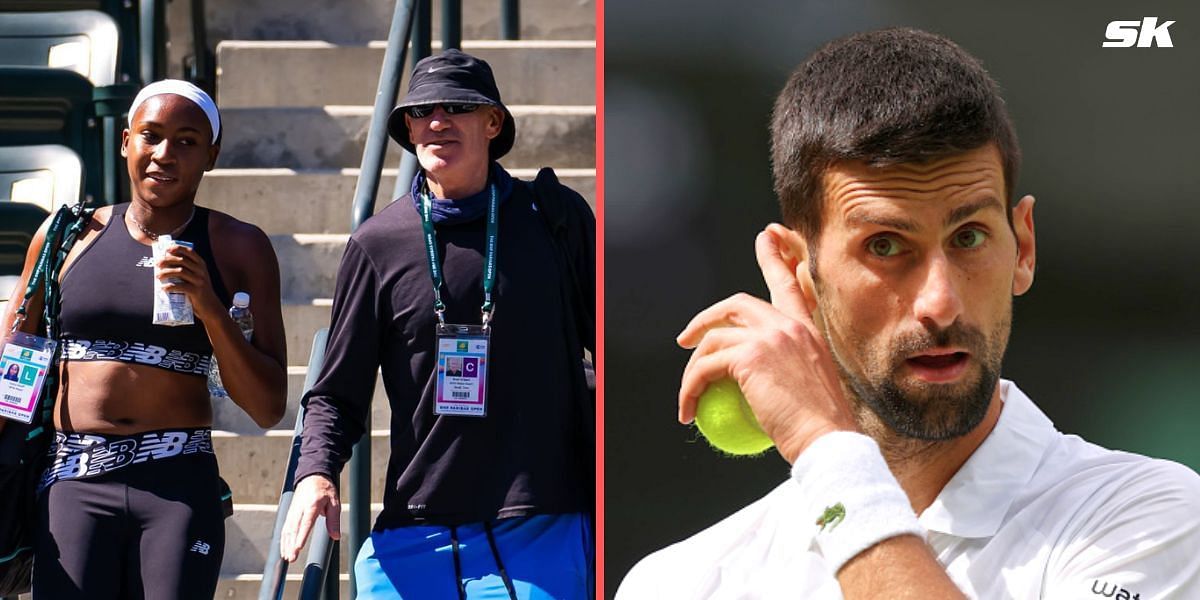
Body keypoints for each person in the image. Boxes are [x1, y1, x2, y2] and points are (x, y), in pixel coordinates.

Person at [617, 28, 1200, 599]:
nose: (940, 302)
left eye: (969, 237)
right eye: (886, 247)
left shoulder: (1155, 517)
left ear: (1022, 247)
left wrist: (823, 443)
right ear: (800, 271)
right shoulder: (678, 583)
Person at [279, 49, 595, 599]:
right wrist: (316, 473)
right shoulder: (379, 244)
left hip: (539, 521)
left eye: (457, 107)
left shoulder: (553, 218)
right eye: (422, 111)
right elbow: (337, 392)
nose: (437, 122)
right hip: (416, 529)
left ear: (493, 123)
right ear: (407, 127)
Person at [1, 79, 287, 599]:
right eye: (150, 136)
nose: (164, 155)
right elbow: (16, 362)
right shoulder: (66, 235)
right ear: (125, 140)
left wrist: (209, 306)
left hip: (177, 484)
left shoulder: (240, 246)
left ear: (212, 155)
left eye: (186, 141)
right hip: (72, 480)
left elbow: (267, 407)